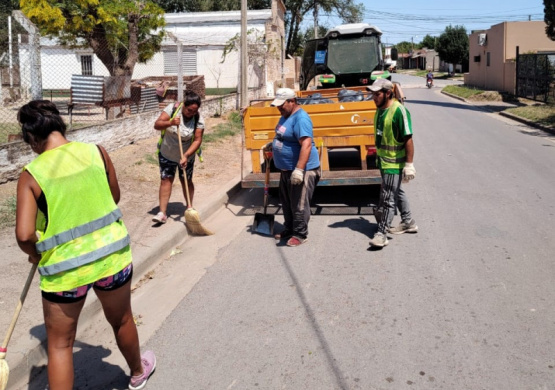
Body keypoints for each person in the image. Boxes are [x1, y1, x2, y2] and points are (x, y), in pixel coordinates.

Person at [15, 100, 155, 390]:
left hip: (66, 272)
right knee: (122, 319)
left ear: (31, 136)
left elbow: (24, 235)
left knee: (60, 346)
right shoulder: (97, 153)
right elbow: (112, 197)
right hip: (111, 257)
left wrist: (35, 254)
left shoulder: (32, 174)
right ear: (60, 124)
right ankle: (138, 373)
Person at [264, 88, 320, 247]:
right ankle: (289, 228)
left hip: (302, 169)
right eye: (277, 105)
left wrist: (299, 170)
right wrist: (274, 145)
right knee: (287, 202)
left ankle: (300, 234)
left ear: (292, 101)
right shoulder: (285, 116)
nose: (279, 108)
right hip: (286, 169)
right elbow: (283, 135)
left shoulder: (301, 118)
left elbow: (307, 145)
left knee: (299, 204)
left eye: (282, 105)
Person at [366, 79, 417, 248]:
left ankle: (382, 233)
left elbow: (408, 139)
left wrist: (409, 164)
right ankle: (408, 221)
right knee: (397, 191)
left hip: (394, 163)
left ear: (388, 93)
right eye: (373, 94)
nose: (374, 97)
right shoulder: (380, 110)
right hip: (384, 161)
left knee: (388, 197)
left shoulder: (398, 111)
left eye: (377, 94)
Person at [152, 90, 204, 224]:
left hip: (185, 155)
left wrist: (186, 155)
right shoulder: (173, 109)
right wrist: (170, 122)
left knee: (186, 180)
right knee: (166, 180)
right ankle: (162, 213)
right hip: (167, 153)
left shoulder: (198, 119)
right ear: (183, 105)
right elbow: (157, 125)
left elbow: (197, 140)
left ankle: (189, 207)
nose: (192, 113)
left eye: (195, 111)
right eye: (189, 110)